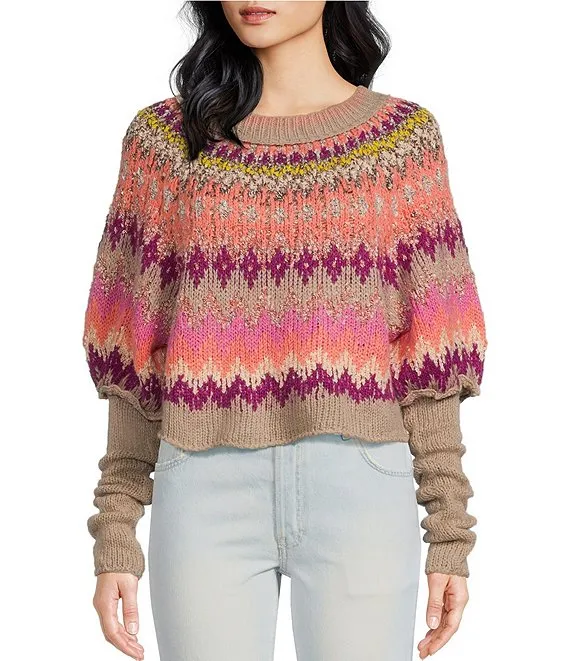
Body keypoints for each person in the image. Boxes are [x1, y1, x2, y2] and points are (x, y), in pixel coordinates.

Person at [82, 2, 487, 660]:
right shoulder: (164, 144)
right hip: (200, 486)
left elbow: (434, 349)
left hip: (362, 485)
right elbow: (131, 349)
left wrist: (450, 532)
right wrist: (116, 526)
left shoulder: (400, 143)